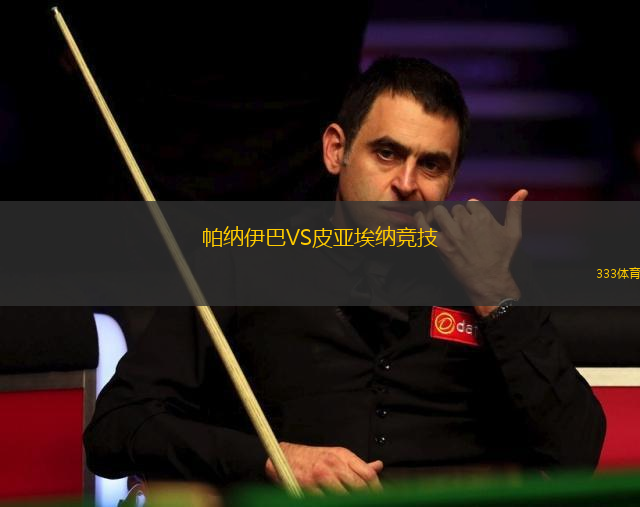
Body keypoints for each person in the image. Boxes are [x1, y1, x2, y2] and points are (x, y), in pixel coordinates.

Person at [84, 57, 606, 493]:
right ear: (337, 150)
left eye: (431, 165)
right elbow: (115, 429)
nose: (407, 183)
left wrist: (497, 297)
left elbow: (577, 452)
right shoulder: (240, 263)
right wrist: (273, 459)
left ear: (451, 181)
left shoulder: (492, 274)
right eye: (387, 153)